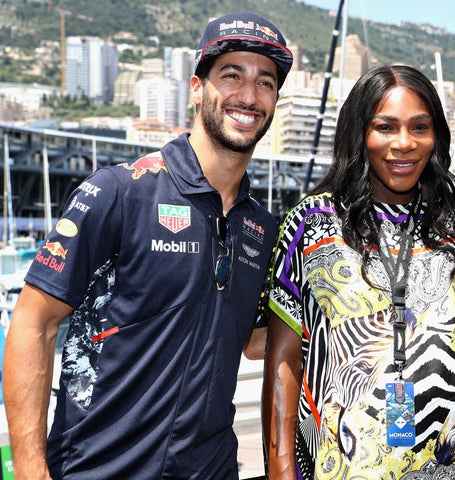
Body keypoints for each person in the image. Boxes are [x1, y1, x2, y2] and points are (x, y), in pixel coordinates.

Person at [2, 11, 292, 478]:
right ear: (197, 88)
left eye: (265, 82)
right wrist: (31, 472)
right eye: (231, 75)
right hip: (96, 469)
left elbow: (258, 343)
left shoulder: (261, 227)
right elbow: (33, 325)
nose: (249, 96)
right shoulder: (120, 192)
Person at [262, 64, 455, 480]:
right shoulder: (311, 224)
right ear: (359, 133)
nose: (404, 143)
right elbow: (283, 362)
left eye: (420, 127)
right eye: (386, 127)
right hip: (347, 465)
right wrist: (281, 469)